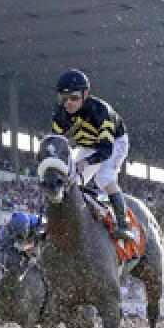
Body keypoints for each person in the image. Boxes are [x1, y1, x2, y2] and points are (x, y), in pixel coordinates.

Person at [50, 69, 135, 241]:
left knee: (104, 177)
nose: (68, 103)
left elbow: (105, 151)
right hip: (87, 144)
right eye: (63, 98)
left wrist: (86, 162)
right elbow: (56, 142)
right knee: (69, 176)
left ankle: (124, 224)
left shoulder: (100, 111)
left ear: (85, 94)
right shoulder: (60, 114)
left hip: (114, 142)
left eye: (74, 97)